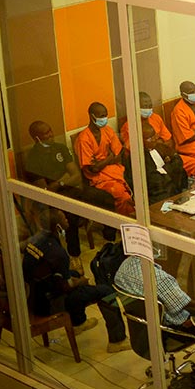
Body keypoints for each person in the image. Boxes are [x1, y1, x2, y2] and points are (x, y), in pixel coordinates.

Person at [21, 207, 127, 353]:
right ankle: (117, 340)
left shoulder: (36, 240)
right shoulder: (58, 254)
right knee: (105, 291)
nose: (67, 219)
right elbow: (67, 286)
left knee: (74, 274)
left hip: (32, 294)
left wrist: (74, 277)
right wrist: (81, 282)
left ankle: (78, 323)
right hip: (50, 303)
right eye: (64, 218)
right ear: (58, 226)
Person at [22, 120, 113, 264]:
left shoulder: (60, 148)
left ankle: (110, 240)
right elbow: (47, 191)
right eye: (45, 133)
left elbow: (76, 176)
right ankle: (74, 255)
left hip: (73, 189)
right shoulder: (33, 159)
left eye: (50, 130)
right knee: (70, 215)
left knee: (106, 198)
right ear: (36, 138)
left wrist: (60, 182)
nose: (50, 135)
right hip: (57, 198)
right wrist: (64, 179)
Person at [121, 94, 188, 202]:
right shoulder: (130, 128)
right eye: (144, 106)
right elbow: (154, 179)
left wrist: (164, 167)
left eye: (155, 136)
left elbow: (170, 145)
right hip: (155, 187)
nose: (154, 140)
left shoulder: (156, 120)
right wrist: (167, 167)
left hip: (164, 167)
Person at [73, 103, 135, 217]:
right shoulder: (84, 139)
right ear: (92, 116)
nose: (104, 119)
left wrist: (102, 162)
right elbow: (93, 169)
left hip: (117, 171)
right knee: (123, 196)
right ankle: (125, 224)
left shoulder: (108, 131)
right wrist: (110, 157)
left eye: (106, 115)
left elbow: (119, 156)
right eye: (101, 116)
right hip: (98, 179)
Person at [113, 253, 195, 334]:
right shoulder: (159, 279)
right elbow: (186, 305)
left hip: (143, 329)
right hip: (172, 329)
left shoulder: (124, 267)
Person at [170, 81, 195, 179]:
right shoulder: (178, 111)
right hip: (190, 146)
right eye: (191, 92)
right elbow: (187, 137)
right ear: (183, 94)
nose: (194, 94)